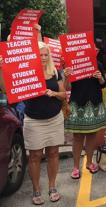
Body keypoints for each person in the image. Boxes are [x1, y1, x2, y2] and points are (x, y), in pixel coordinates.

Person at [21, 42, 65, 205]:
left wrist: (53, 93)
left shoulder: (55, 72)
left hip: (54, 119)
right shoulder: (26, 73)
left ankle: (52, 187)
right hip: (34, 121)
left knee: (53, 153)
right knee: (35, 156)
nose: (44, 58)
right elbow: (10, 91)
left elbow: (63, 95)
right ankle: (36, 189)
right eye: (41, 55)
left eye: (46, 54)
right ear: (34, 56)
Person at [64, 53, 106, 179]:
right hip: (77, 105)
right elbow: (67, 87)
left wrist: (100, 78)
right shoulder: (72, 65)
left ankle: (89, 162)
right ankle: (76, 167)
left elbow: (103, 84)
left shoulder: (97, 64)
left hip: (94, 104)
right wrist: (66, 77)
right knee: (77, 137)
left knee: (92, 135)